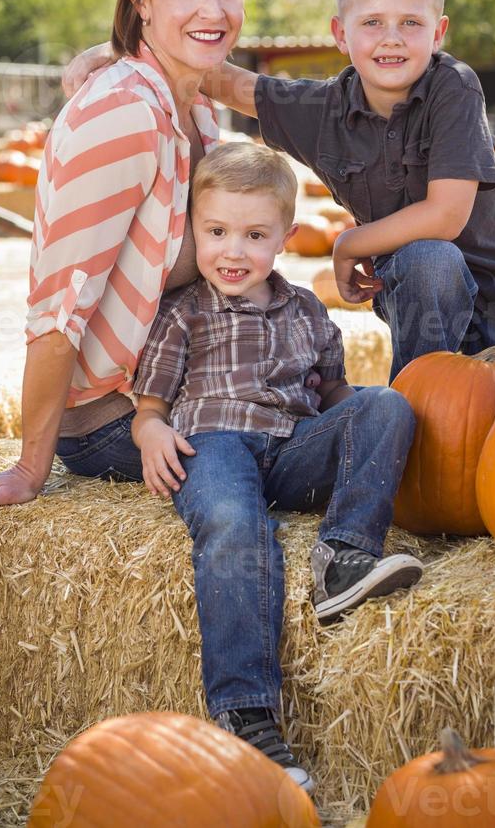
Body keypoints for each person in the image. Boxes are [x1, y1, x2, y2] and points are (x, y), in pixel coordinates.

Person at [66, 0, 495, 382]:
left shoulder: (452, 87)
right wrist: (118, 50)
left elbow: (446, 214)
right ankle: (419, 412)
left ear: (438, 32)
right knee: (429, 267)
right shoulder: (322, 113)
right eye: (372, 22)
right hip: (421, 291)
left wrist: (348, 244)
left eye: (411, 23)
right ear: (340, 33)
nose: (392, 38)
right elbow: (222, 80)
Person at [0, 0, 246, 539]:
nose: (214, 9)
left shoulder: (198, 109)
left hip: (176, 387)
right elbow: (59, 307)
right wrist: (27, 471)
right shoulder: (123, 113)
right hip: (112, 421)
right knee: (312, 451)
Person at [131, 141, 422, 793]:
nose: (233, 251)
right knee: (236, 527)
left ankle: (343, 556)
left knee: (388, 404)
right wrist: (151, 431)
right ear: (193, 231)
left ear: (286, 237)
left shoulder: (309, 313)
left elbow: (338, 403)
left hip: (289, 448)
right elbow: (149, 408)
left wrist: (366, 432)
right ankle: (246, 713)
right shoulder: (183, 313)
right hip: (214, 445)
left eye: (254, 235)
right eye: (216, 232)